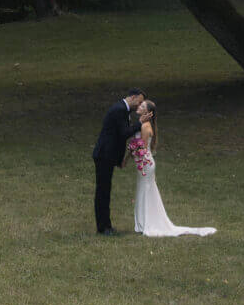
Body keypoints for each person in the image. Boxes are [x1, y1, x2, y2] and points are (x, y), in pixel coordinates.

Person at [131, 100, 215, 238]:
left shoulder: (145, 126)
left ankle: (146, 222)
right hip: (144, 162)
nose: (139, 106)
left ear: (148, 112)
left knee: (145, 190)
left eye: (142, 106)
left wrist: (132, 149)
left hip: (145, 162)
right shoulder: (143, 124)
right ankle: (142, 222)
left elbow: (142, 147)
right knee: (144, 189)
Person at [92, 91, 144, 235]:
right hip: (104, 155)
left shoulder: (123, 109)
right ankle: (103, 227)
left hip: (108, 155)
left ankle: (106, 225)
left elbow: (118, 136)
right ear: (132, 97)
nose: (139, 105)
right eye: (139, 102)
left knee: (105, 191)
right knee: (103, 191)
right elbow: (124, 133)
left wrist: (120, 159)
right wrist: (140, 123)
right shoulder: (119, 109)